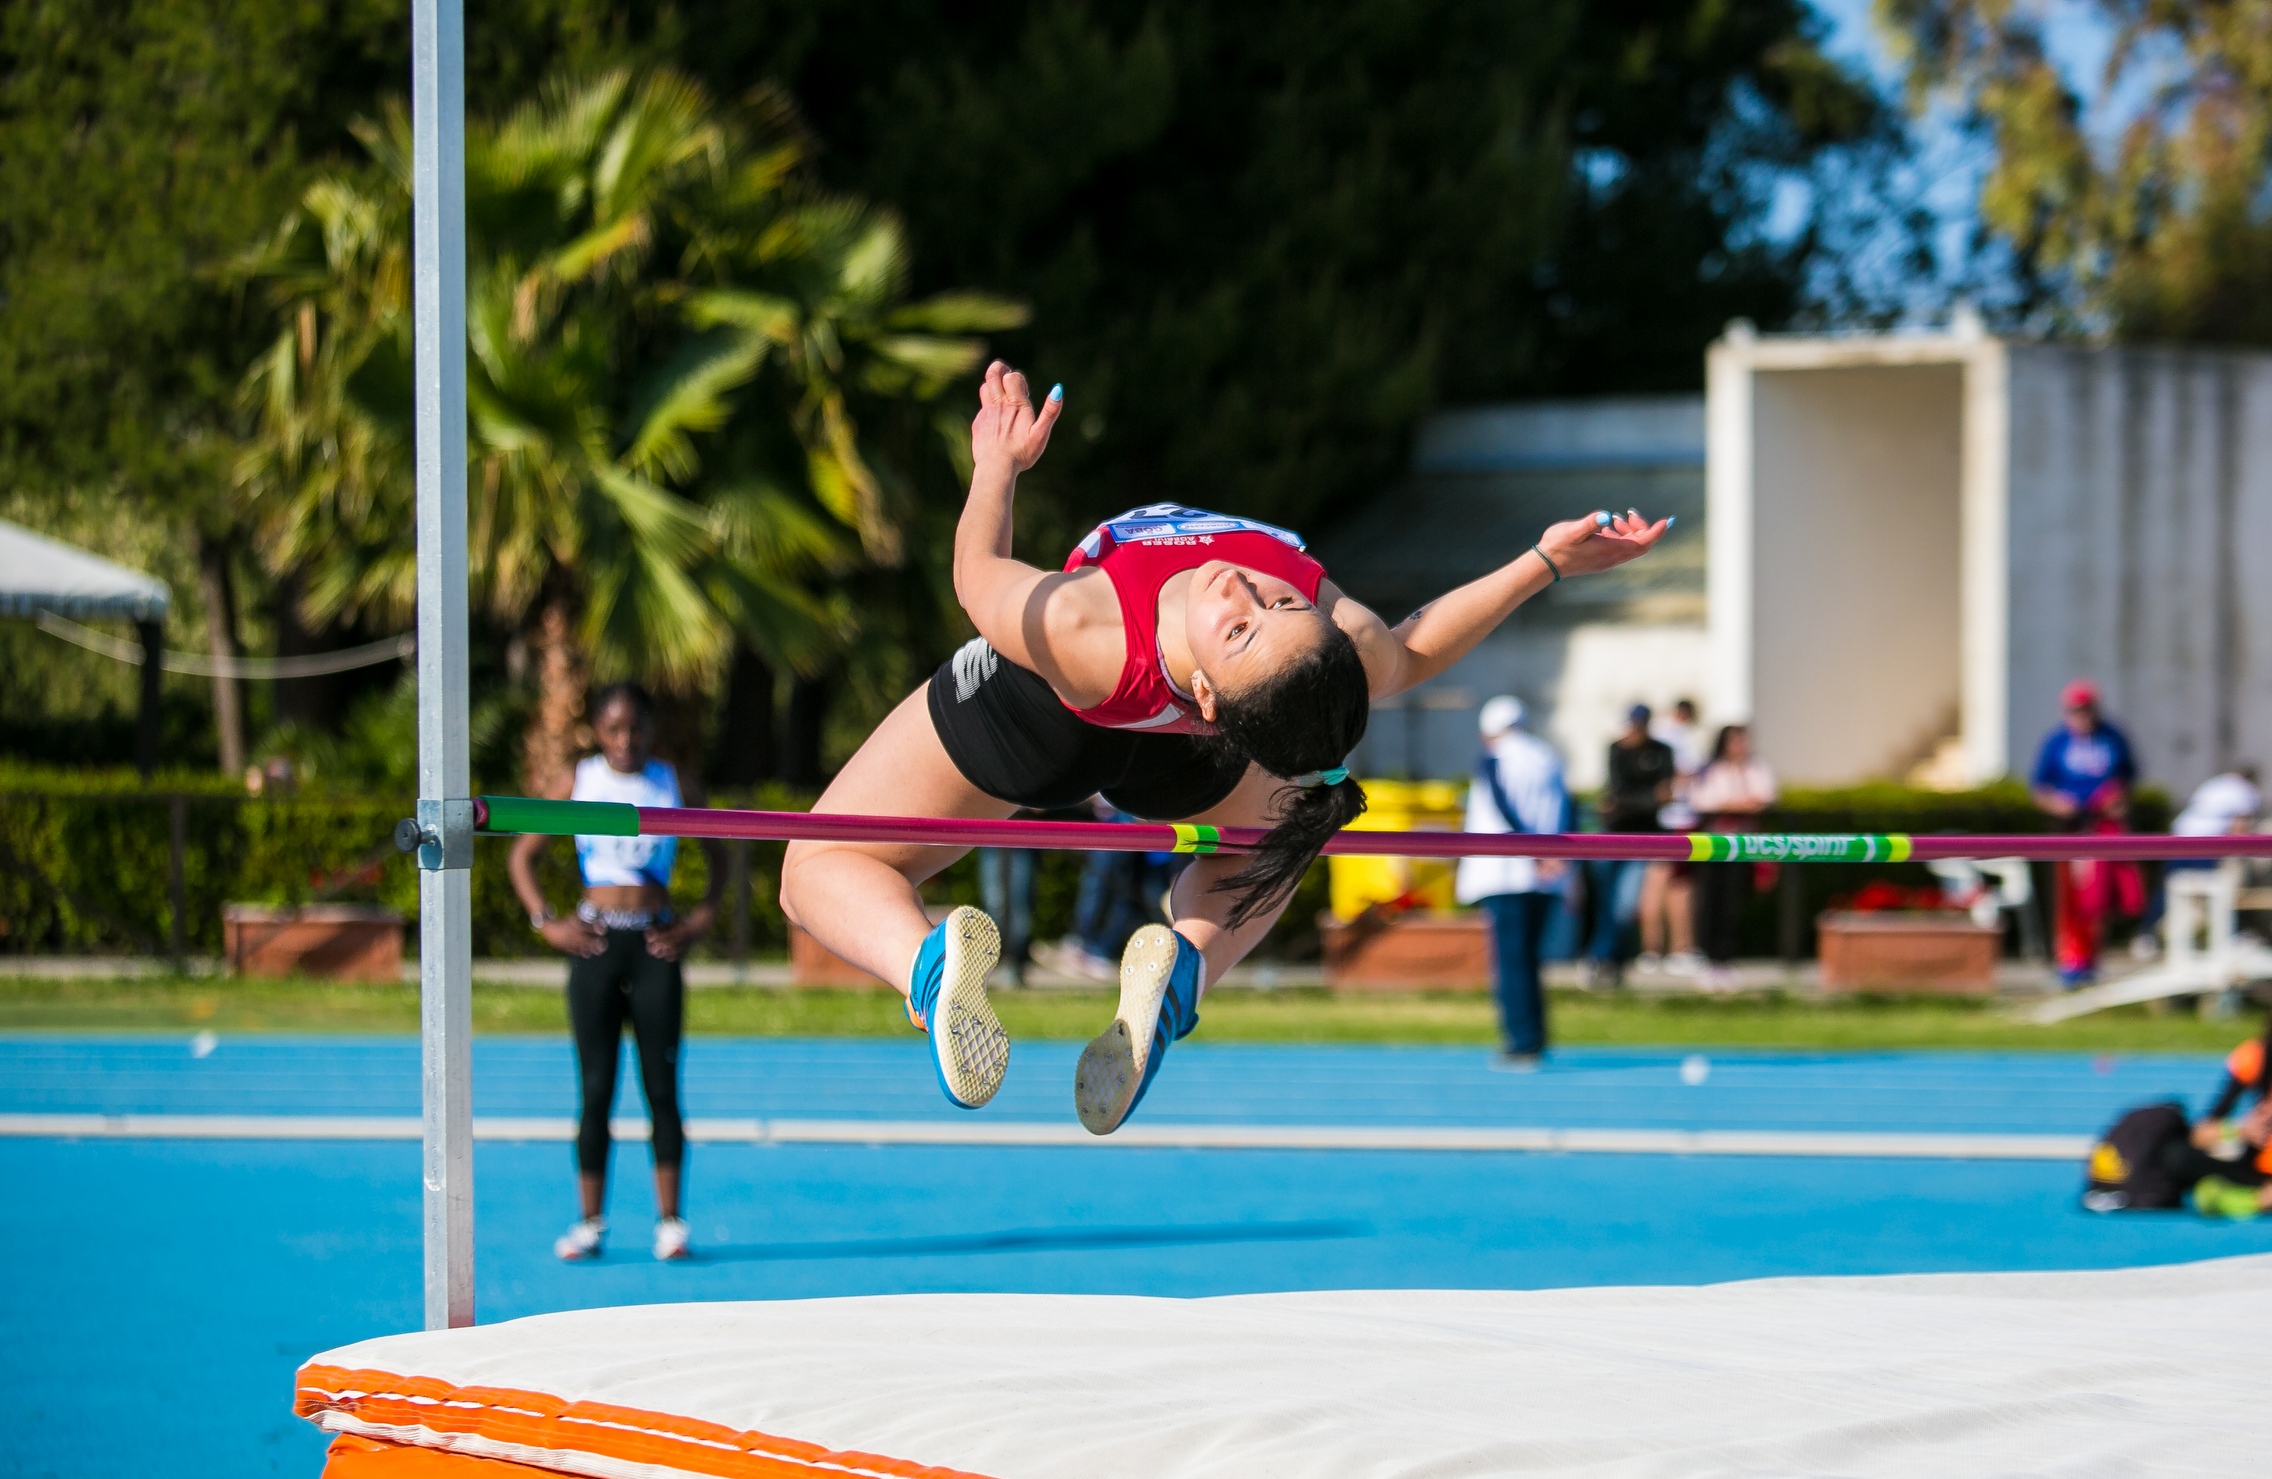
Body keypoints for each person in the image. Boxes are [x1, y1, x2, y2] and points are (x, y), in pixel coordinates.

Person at [777, 361, 1669, 1134]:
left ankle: (928, 965)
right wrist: (1544, 562)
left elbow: (978, 579)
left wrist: (997, 467)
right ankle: (1185, 971)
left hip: (1047, 711)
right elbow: (1419, 648)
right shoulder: (1339, 645)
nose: (1243, 589)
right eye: (1279, 603)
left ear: (1209, 694)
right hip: (1198, 757)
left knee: (816, 866)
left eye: (1239, 630)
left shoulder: (1090, 629)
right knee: (1293, 807)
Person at [507, 683, 724, 1262]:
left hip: (654, 946)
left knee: (662, 1089)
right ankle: (589, 1223)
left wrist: (697, 922)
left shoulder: (673, 783)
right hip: (596, 945)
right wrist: (547, 923)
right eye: (614, 729)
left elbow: (721, 856)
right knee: (597, 1089)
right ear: (597, 731)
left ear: (651, 729)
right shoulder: (578, 781)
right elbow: (522, 854)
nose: (626, 740)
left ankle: (671, 1222)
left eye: (636, 728)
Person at [1455, 696, 1570, 1070]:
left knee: (1511, 961)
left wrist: (1533, 851)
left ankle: (1522, 1041)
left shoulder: (1493, 760)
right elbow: (1567, 808)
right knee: (1530, 959)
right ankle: (1534, 1036)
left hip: (1506, 873)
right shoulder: (1548, 757)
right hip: (1545, 875)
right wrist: (1555, 856)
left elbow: (1503, 807)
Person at [2029, 680, 2140, 986]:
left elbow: (2128, 779)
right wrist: (2059, 804)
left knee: (2099, 896)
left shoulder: (2113, 737)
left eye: (2087, 709)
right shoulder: (2057, 741)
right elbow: (2039, 788)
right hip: (2070, 829)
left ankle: (2093, 959)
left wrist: (2116, 800)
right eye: (2076, 710)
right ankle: (2069, 959)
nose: (2082, 716)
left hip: (2102, 827)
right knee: (2069, 896)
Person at [1588, 704, 1676, 984]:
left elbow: (1659, 797)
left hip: (1643, 841)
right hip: (1612, 837)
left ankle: (1607, 960)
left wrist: (1629, 800)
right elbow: (1619, 793)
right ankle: (1605, 960)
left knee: (1624, 905)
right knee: (1605, 903)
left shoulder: (1662, 751)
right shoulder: (1617, 749)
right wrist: (1649, 798)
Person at [1687, 724, 1777, 989]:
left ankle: (1727, 959)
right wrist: (1739, 803)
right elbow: (1702, 801)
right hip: (1713, 845)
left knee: (1732, 904)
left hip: (1743, 845)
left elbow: (1765, 797)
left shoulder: (1756, 768)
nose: (1740, 746)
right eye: (1735, 741)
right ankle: (1708, 959)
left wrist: (1732, 802)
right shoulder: (1710, 770)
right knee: (1709, 902)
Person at [1640, 697, 1706, 973]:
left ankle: (1655, 951)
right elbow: (1684, 776)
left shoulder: (1656, 734)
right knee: (1675, 887)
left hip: (1660, 820)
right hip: (1677, 821)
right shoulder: (1680, 737)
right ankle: (1675, 949)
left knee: (1661, 885)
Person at [2189, 1025, 2272, 1219]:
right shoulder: (2256, 1058)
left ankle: (2250, 1201)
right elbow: (2199, 1135)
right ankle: (2256, 1199)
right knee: (2179, 1156)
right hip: (2256, 1166)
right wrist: (2242, 1130)